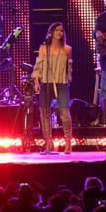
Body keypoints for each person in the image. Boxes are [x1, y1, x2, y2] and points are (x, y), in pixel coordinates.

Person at [30, 22, 75, 153]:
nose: (59, 33)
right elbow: (38, 66)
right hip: (46, 82)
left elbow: (69, 67)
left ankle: (68, 143)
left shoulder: (67, 49)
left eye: (61, 30)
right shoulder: (44, 48)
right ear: (51, 33)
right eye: (56, 30)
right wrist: (37, 82)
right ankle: (48, 143)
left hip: (61, 83)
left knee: (65, 113)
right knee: (44, 113)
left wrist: (68, 77)